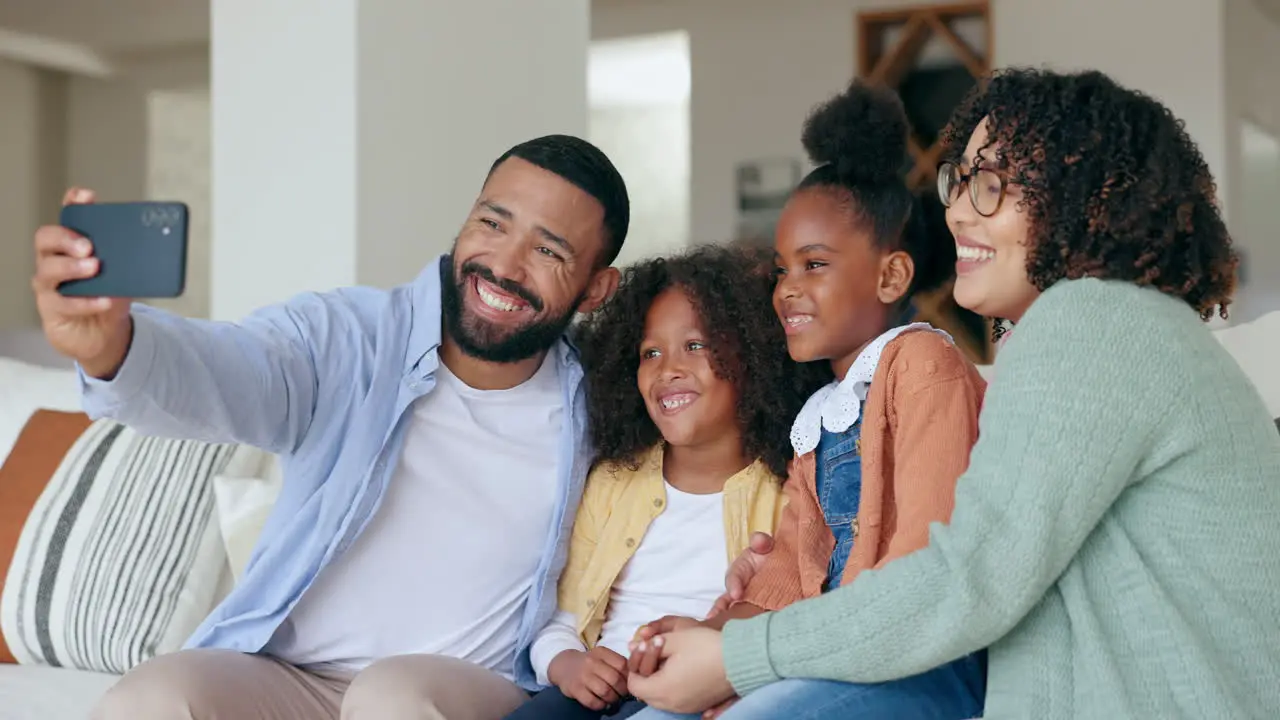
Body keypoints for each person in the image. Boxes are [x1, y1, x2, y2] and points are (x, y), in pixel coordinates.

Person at [625, 68, 1280, 719]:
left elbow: (967, 578)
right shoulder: (1103, 330)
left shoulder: (1093, 322)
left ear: (1082, 198)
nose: (958, 209)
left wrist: (741, 656)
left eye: (993, 185)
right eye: (959, 181)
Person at [32, 135, 634, 720]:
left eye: (548, 251)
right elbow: (230, 371)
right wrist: (114, 347)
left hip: (466, 690)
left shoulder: (609, 405)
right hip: (294, 679)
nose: (503, 264)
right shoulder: (347, 338)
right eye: (493, 224)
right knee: (158, 694)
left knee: (392, 696)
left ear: (596, 289)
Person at [629, 81, 987, 719]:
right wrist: (707, 640)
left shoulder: (925, 366)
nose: (787, 289)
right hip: (828, 661)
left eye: (814, 265)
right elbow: (790, 569)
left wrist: (744, 665)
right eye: (781, 268)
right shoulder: (823, 412)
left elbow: (923, 573)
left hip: (920, 671)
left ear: (891, 276)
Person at [502, 246, 829, 720]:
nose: (667, 368)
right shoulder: (613, 483)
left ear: (752, 357)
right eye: (649, 352)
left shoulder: (786, 492)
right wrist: (567, 664)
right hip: (597, 690)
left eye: (695, 346)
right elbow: (563, 616)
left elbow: (789, 615)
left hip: (698, 692)